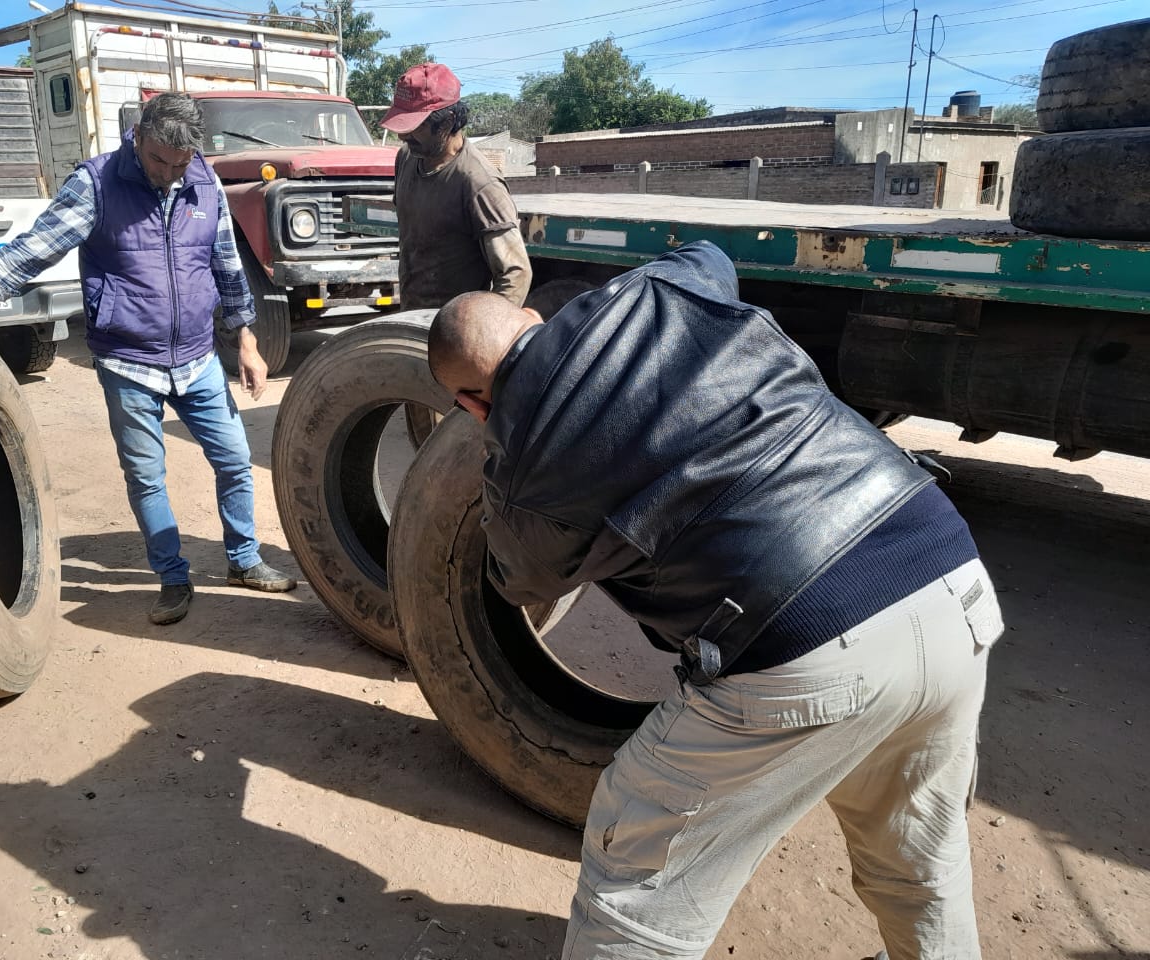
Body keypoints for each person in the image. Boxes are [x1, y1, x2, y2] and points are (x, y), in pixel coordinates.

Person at [427, 240, 1004, 960]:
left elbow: (519, 583)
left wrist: (505, 457)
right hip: (947, 574)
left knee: (635, 866)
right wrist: (620, 305)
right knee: (918, 853)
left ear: (469, 404)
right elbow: (708, 253)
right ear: (532, 316)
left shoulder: (521, 487)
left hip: (804, 646)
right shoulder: (662, 289)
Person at [0, 92, 296, 626]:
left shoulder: (202, 178)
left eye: (180, 164)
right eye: (158, 161)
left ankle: (243, 560)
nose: (169, 175)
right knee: (147, 476)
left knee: (235, 461)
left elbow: (224, 264)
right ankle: (173, 578)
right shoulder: (97, 183)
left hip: (196, 357)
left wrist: (246, 342)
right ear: (138, 137)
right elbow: (31, 251)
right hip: (128, 362)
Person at [380, 62, 532, 310]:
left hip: (453, 334)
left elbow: (515, 275)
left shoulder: (479, 183)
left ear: (448, 121)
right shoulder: (406, 159)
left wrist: (479, 333)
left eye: (415, 126)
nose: (403, 136)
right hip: (411, 320)